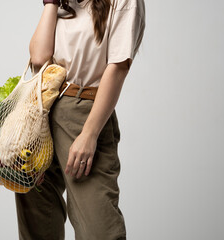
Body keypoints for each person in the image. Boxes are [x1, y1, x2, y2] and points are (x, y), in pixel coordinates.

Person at [15, 0, 145, 239]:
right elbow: (39, 58)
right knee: (37, 222)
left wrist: (90, 133)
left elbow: (118, 67)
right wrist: (51, 3)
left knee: (98, 229)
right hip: (42, 108)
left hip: (85, 113)